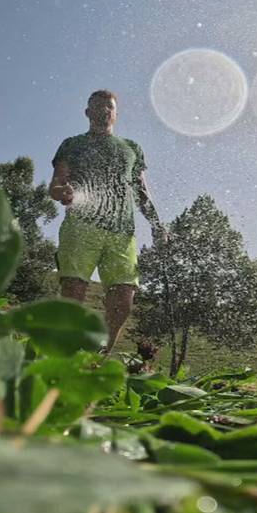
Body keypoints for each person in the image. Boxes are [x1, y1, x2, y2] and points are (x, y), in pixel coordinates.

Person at [49, 89, 166, 354]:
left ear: (115, 113)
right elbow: (55, 186)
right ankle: (66, 355)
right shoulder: (72, 144)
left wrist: (157, 224)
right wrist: (63, 191)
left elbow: (141, 191)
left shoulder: (131, 149)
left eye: (109, 107)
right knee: (73, 292)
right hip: (81, 227)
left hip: (123, 233)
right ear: (87, 112)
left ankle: (98, 358)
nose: (103, 111)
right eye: (97, 107)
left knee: (123, 299)